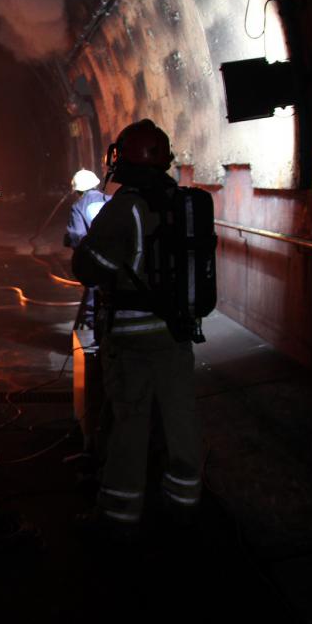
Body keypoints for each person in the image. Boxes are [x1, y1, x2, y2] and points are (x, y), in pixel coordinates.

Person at [71, 119, 202, 537]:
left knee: (128, 422)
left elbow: (90, 266)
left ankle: (118, 515)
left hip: (132, 338)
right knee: (180, 419)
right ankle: (184, 503)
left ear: (124, 157)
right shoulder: (180, 201)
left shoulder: (125, 206)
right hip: (177, 332)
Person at [64, 168, 111, 329]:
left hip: (93, 258)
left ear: (77, 190)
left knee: (93, 287)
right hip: (116, 256)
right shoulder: (110, 200)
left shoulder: (78, 206)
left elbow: (77, 236)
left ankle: (91, 322)